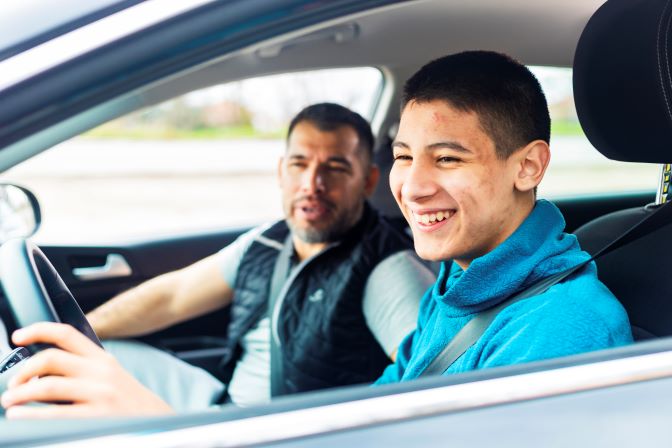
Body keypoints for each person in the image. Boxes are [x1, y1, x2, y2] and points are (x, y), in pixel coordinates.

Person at [0, 103, 434, 417]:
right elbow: (172, 297)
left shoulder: (386, 269)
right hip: (221, 404)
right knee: (97, 355)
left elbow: (430, 384)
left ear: (368, 180)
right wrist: (72, 334)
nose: (312, 183)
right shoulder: (268, 242)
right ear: (282, 170)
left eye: (335, 168)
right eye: (300, 164)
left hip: (269, 434)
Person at [374, 50, 632, 384]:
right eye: (404, 156)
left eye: (448, 159)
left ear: (528, 167)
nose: (412, 189)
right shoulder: (455, 282)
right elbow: (393, 391)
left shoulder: (560, 328)